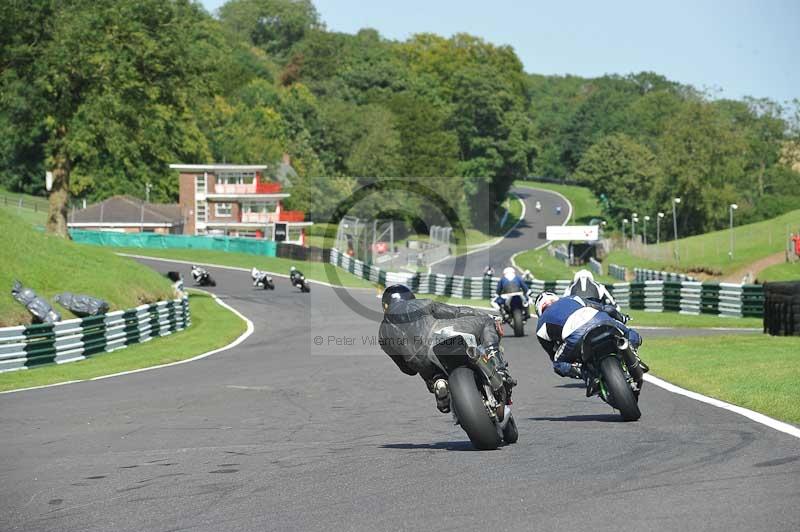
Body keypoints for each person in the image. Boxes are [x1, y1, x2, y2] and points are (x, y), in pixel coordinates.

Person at [378, 284, 516, 413]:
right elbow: (456, 312)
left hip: (420, 363)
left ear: (385, 305)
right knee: (486, 322)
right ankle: (499, 368)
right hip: (437, 337)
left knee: (424, 368)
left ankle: (439, 382)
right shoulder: (421, 303)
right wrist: (488, 316)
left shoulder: (382, 333)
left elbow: (407, 370)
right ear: (410, 297)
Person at [533, 291, 647, 390]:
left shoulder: (540, 325)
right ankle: (634, 356)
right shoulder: (573, 298)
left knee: (558, 364)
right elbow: (606, 308)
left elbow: (553, 354)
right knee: (630, 333)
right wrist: (622, 318)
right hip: (601, 320)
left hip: (575, 337)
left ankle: (588, 376)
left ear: (539, 310)